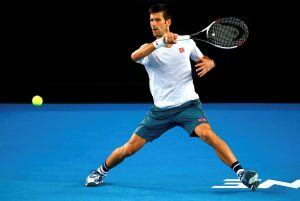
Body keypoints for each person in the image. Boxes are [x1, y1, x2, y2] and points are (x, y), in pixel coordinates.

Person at [85, 3, 259, 191]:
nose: (153, 24)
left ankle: (241, 173)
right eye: (151, 20)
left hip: (188, 106)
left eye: (157, 20)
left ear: (167, 22)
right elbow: (134, 56)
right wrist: (160, 42)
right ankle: (100, 171)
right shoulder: (150, 49)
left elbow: (204, 60)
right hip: (160, 112)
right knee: (129, 149)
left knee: (207, 133)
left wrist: (212, 63)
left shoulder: (187, 43)